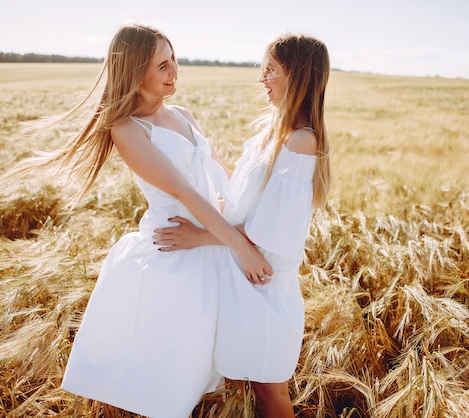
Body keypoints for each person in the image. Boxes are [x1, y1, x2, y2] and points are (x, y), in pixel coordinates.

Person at [15, 24, 273, 417]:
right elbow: (186, 192)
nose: (175, 71)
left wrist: (252, 223)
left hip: (207, 240)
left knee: (209, 364)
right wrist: (242, 247)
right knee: (170, 371)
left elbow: (220, 174)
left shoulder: (184, 114)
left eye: (174, 60)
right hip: (173, 251)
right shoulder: (126, 129)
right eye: (163, 65)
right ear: (136, 73)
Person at [154, 33, 331, 417]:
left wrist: (198, 235)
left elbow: (271, 228)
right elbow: (246, 199)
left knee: (270, 390)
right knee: (254, 380)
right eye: (263, 69)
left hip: (263, 282)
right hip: (239, 271)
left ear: (298, 77)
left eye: (271, 71)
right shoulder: (274, 131)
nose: (262, 79)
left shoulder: (302, 142)